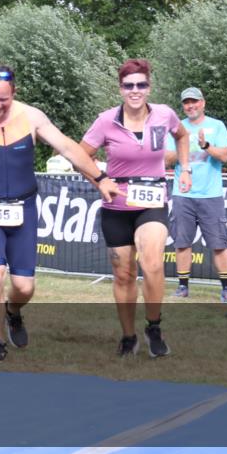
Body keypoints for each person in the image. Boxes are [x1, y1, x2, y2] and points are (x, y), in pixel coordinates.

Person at [0, 65, 121, 361]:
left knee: (24, 287)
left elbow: (68, 148)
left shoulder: (32, 118)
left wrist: (101, 178)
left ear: (14, 93)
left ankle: (12, 311)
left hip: (24, 209)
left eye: (3, 99)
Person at [80, 59, 192, 358]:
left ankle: (153, 326)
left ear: (149, 87)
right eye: (129, 85)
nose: (135, 90)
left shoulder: (164, 114)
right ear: (120, 89)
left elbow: (182, 135)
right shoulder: (106, 120)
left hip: (152, 199)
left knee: (152, 261)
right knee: (123, 274)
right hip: (116, 203)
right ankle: (129, 336)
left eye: (141, 84)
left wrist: (185, 169)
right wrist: (100, 181)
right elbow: (80, 155)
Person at [163, 87, 227, 302]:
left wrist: (205, 145)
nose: (190, 106)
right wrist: (184, 146)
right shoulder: (177, 128)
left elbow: (225, 156)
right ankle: (183, 287)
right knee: (182, 243)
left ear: (202, 103)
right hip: (182, 194)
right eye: (186, 102)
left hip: (210, 195)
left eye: (194, 101)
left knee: (219, 244)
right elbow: (167, 159)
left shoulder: (216, 126)